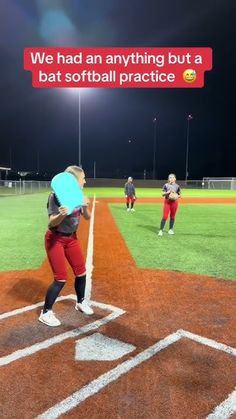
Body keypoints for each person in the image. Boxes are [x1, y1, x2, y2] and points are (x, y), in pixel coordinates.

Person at [39, 165, 94, 327]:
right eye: (83, 178)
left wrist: (85, 206)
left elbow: (87, 217)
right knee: (61, 277)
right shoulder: (54, 197)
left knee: (81, 272)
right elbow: (51, 223)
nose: (85, 181)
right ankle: (46, 312)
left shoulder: (79, 195)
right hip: (55, 239)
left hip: (71, 239)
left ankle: (81, 302)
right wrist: (62, 214)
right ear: (74, 180)